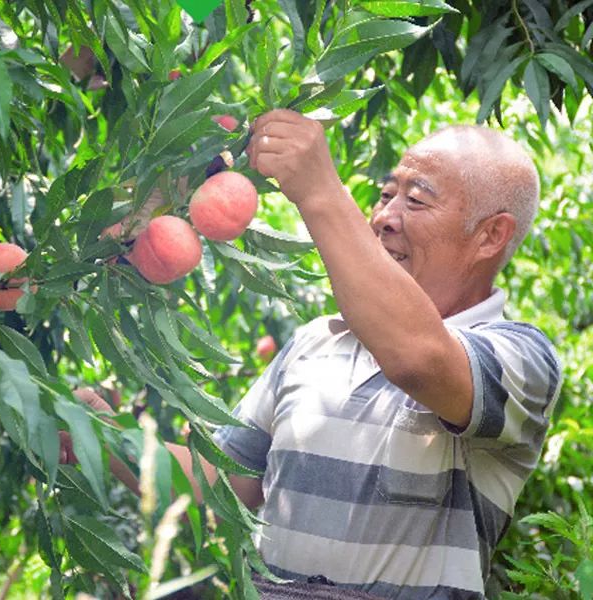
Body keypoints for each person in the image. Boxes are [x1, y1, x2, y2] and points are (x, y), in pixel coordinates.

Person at [66, 111, 562, 600]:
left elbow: (420, 360)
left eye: (415, 200)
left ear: (491, 235)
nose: (385, 217)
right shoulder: (314, 342)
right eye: (386, 195)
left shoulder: (520, 358)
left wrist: (320, 191)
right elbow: (222, 488)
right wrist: (105, 438)